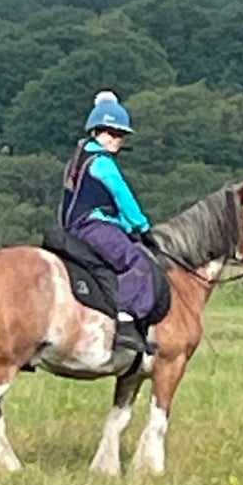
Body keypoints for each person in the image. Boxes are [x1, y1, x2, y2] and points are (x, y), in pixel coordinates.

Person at [60, 91, 159, 352]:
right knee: (137, 261)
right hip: (92, 227)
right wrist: (142, 227)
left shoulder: (77, 158)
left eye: (121, 134)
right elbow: (123, 197)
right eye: (112, 133)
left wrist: (125, 226)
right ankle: (125, 323)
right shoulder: (102, 163)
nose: (117, 139)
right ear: (97, 131)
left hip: (74, 227)